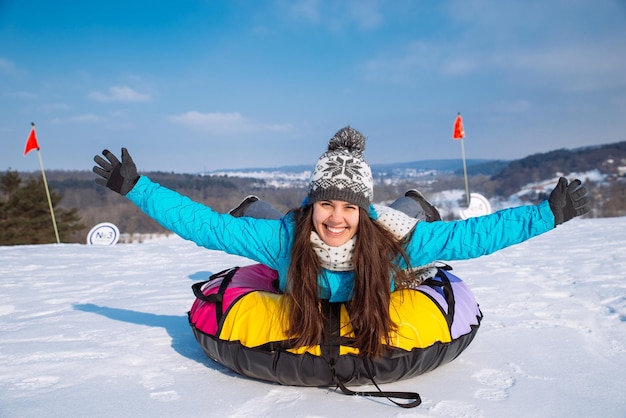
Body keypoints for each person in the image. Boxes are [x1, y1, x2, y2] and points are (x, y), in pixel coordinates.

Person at [93, 126, 590, 358]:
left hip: (397, 226)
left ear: (363, 210)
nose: (336, 218)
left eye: (349, 207)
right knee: (248, 220)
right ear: (313, 204)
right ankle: (254, 204)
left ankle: (414, 200)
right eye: (327, 204)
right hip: (277, 228)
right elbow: (204, 225)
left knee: (413, 217)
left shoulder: (394, 241)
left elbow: (472, 236)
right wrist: (138, 188)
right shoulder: (287, 237)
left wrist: (545, 215)